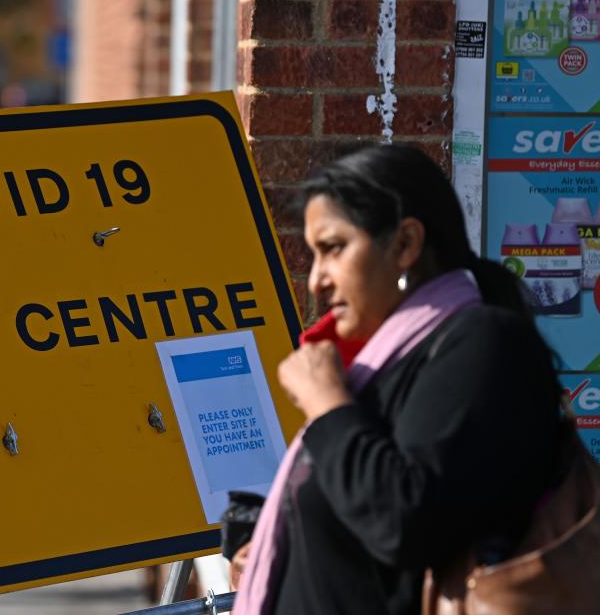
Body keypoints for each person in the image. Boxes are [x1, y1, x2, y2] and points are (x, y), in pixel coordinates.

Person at [232, 144, 568, 614]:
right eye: (313, 255)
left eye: (333, 249)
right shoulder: (383, 367)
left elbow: (405, 521)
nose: (316, 281)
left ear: (406, 244)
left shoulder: (483, 346)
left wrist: (328, 404)